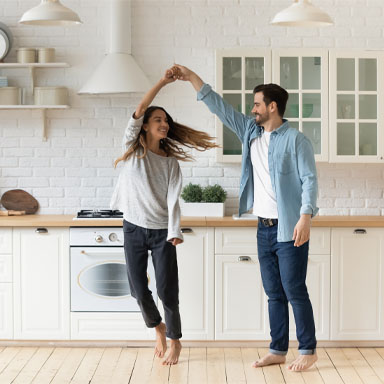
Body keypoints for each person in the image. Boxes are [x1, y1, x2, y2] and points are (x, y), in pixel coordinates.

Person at [174, 64, 319, 372]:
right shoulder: (250, 131)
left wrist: (305, 216)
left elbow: (309, 180)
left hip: (289, 226)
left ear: (272, 107)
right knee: (273, 293)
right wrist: (191, 78)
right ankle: (278, 349)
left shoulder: (296, 140)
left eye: (257, 104)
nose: (252, 109)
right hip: (263, 227)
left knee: (294, 289)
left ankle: (308, 349)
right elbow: (218, 106)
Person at [110, 67, 217, 365]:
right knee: (136, 287)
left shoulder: (170, 163)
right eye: (158, 120)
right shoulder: (132, 149)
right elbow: (141, 107)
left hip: (160, 232)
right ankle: (157, 326)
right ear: (144, 126)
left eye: (166, 120)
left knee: (167, 290)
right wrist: (163, 82)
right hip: (133, 226)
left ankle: (175, 341)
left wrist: (174, 230)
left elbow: (173, 200)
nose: (164, 123)